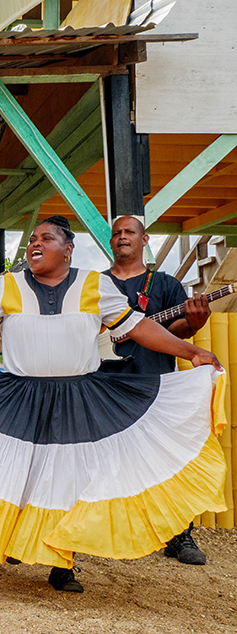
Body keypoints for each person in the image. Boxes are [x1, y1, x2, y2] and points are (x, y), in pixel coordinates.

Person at [0, 216, 225, 593]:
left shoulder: (97, 286)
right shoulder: (4, 286)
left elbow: (139, 328)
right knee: (19, 474)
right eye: (32, 238)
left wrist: (191, 351)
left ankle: (62, 565)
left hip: (77, 396)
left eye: (46, 238)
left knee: (67, 479)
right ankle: (18, 542)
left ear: (68, 249)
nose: (35, 244)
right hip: (21, 395)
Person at [101, 215, 212, 565]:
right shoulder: (95, 284)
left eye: (129, 232)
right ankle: (95, 530)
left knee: (165, 455)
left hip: (154, 382)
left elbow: (179, 331)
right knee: (99, 455)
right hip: (104, 382)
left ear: (144, 240)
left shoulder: (164, 284)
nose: (122, 237)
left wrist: (195, 322)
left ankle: (178, 535)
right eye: (116, 233)